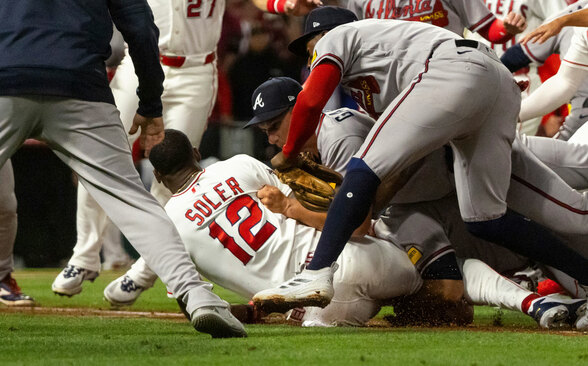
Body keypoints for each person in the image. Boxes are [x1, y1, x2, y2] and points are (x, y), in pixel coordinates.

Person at [250, 6, 588, 313]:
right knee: (487, 218)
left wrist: (291, 152)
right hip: (485, 86)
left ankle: (318, 271)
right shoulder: (376, 75)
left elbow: (310, 101)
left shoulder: (337, 38)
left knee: (363, 166)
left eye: (309, 46)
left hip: (455, 74)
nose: (309, 56)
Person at [146, 128, 588, 329]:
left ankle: (417, 309)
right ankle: (534, 302)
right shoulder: (239, 165)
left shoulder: (166, 226)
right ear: (197, 151)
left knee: (414, 310)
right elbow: (313, 204)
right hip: (349, 258)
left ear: (160, 179)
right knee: (436, 287)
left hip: (315, 312)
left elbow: (195, 302)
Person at [0, 0, 246, 338]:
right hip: (80, 83)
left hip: (7, 77)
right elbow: (141, 29)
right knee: (133, 200)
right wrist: (150, 102)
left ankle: (81, 260)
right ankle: (196, 294)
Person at [52, 0, 321, 299]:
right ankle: (84, 255)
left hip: (195, 69)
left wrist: (282, 4)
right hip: (141, 64)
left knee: (174, 177)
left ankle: (147, 268)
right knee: (98, 156)